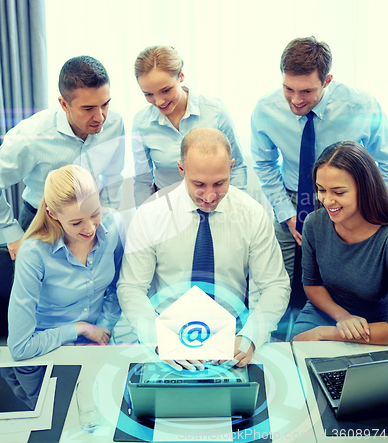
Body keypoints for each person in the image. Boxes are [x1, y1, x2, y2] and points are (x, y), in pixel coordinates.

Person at [117, 127, 290, 370]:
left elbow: (275, 285)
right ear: (181, 170)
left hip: (232, 343)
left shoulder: (252, 214)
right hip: (167, 341)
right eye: (198, 184)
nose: (209, 196)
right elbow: (131, 288)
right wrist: (160, 341)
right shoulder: (150, 214)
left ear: (231, 168)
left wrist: (250, 338)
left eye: (219, 183)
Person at [251, 37, 388, 281]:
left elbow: (386, 162)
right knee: (280, 279)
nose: (295, 100)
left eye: (306, 91)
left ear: (327, 81)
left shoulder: (361, 106)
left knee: (337, 280)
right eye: (288, 89)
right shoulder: (266, 109)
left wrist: (370, 206)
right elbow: (264, 163)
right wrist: (286, 213)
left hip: (348, 201)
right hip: (292, 199)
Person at [0, 55, 125, 260]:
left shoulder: (115, 122)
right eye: (88, 108)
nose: (100, 117)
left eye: (105, 104)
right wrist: (12, 234)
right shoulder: (30, 136)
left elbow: (113, 175)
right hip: (43, 223)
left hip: (92, 221)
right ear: (64, 104)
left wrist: (108, 219)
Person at [7, 165, 124, 361]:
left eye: (95, 213)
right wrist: (79, 329)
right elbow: (20, 348)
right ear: (52, 214)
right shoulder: (34, 252)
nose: (90, 229)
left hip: (95, 346)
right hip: (46, 350)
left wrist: (102, 329)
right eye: (76, 222)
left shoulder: (113, 226)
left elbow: (117, 287)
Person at [291, 142, 388, 345]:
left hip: (379, 322)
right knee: (298, 348)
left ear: (365, 188)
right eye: (321, 190)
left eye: (338, 192)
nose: (326, 201)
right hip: (326, 310)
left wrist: (327, 333)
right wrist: (342, 317)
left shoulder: (384, 237)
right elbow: (312, 285)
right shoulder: (314, 223)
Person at [132, 46, 247, 207]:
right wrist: (143, 218)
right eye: (148, 94)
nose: (158, 101)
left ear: (181, 76)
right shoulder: (141, 123)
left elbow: (237, 167)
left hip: (217, 205)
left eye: (165, 90)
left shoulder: (215, 111)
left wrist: (235, 209)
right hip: (169, 210)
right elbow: (143, 181)